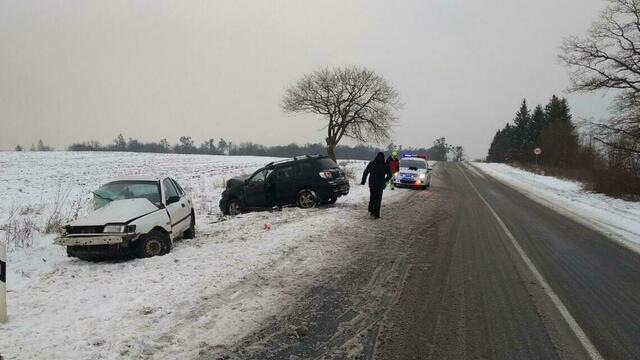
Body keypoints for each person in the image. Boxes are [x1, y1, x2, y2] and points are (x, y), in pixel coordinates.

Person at [361, 152, 392, 219]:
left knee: (372, 197)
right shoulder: (385, 165)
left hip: (372, 183)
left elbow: (365, 172)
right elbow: (390, 175)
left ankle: (371, 211)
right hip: (380, 184)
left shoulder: (372, 163)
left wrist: (363, 181)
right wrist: (385, 180)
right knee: (378, 199)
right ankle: (376, 214)